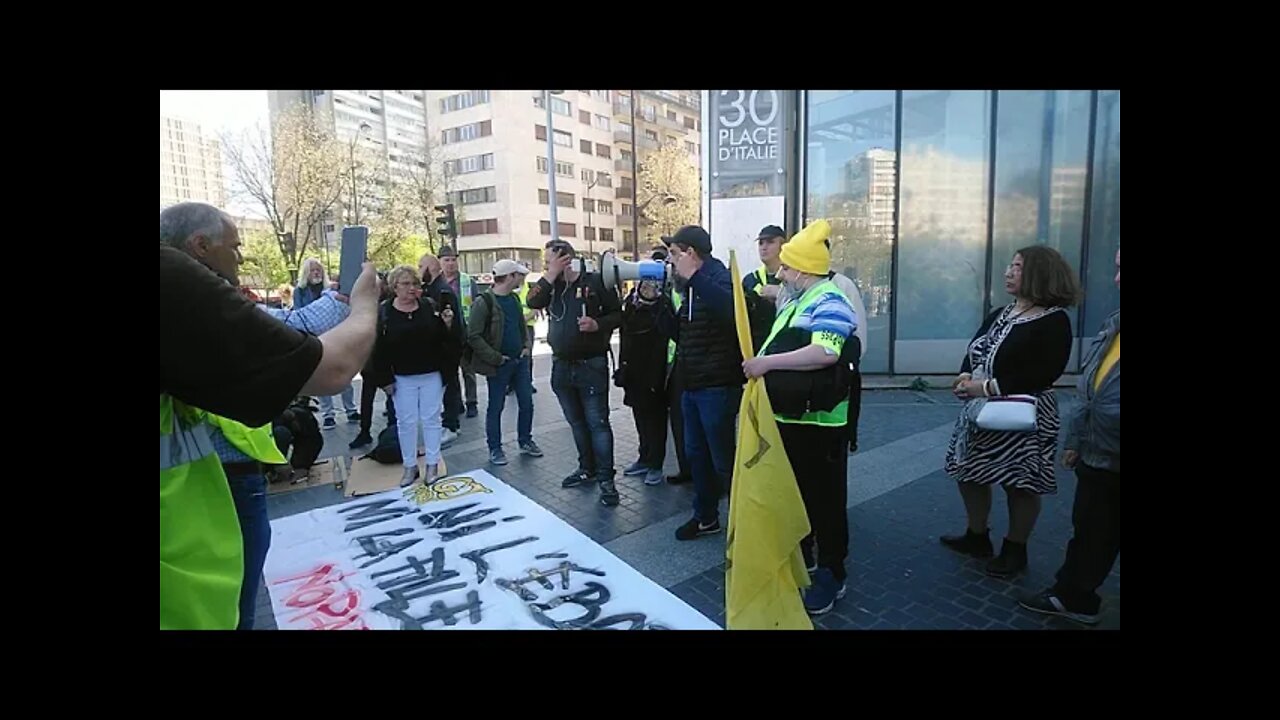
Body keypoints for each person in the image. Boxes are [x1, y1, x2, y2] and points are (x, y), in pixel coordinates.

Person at [160, 202, 377, 629]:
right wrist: (365, 305)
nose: (241, 259)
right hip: (183, 577)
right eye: (234, 247)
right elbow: (331, 369)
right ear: (200, 246)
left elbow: (284, 326)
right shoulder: (172, 282)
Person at [741, 219, 857, 615]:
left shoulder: (829, 299)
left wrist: (765, 364)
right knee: (798, 496)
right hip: (792, 419)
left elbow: (826, 352)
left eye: (787, 267)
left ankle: (832, 573)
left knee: (826, 502)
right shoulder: (798, 299)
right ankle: (804, 559)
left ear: (804, 269)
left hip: (820, 425)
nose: (781, 273)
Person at [941, 245, 1079, 579]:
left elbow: (1044, 372)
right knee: (967, 472)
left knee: (1020, 483)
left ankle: (1015, 548)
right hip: (981, 412)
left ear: (1038, 274)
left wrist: (986, 387)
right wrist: (964, 375)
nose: (1008, 272)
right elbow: (975, 349)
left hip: (1024, 416)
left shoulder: (1054, 320)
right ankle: (977, 536)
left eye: (1017, 267)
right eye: (1010, 265)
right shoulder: (1001, 313)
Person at [1020, 247, 1120, 625]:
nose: (1117, 280)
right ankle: (1074, 596)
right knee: (1091, 529)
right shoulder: (1115, 324)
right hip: (1100, 453)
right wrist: (1077, 439)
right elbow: (1090, 389)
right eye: (1117, 268)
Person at [657, 226, 744, 541]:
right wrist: (656, 303)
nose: (670, 261)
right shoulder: (690, 287)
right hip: (693, 385)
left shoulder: (718, 277)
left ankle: (744, 522)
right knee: (698, 456)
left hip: (717, 385)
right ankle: (706, 517)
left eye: (674, 253)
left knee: (724, 460)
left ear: (691, 253)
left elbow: (732, 312)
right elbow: (680, 334)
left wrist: (694, 277)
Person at [524, 239, 623, 507]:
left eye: (551, 260)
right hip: (561, 365)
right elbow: (531, 301)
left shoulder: (595, 281)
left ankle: (606, 480)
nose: (548, 266)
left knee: (598, 423)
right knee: (576, 422)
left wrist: (597, 324)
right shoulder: (551, 285)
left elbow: (618, 315)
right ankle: (586, 468)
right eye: (547, 262)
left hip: (591, 364)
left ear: (566, 258)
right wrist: (550, 274)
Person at [373, 265, 463, 487]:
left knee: (432, 421)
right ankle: (409, 466)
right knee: (406, 423)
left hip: (431, 374)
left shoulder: (428, 306)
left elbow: (444, 340)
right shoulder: (385, 312)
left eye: (415, 283)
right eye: (406, 284)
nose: (411, 288)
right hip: (402, 377)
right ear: (395, 287)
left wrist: (447, 325)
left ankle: (432, 465)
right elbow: (378, 348)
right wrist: (384, 380)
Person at [468, 258, 543, 466]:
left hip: (519, 361)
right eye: (518, 275)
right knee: (496, 407)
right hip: (499, 365)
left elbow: (521, 325)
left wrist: (526, 346)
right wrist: (496, 358)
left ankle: (525, 440)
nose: (521, 278)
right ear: (509, 276)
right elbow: (474, 336)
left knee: (526, 403)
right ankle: (495, 448)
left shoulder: (513, 298)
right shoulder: (484, 302)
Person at [618, 248, 677, 487]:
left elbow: (666, 332)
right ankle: (644, 458)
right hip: (633, 371)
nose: (646, 286)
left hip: (654, 373)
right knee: (640, 417)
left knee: (655, 421)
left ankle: (655, 464)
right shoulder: (631, 302)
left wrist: (653, 303)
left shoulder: (663, 306)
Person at [296, 258, 360, 429]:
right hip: (315, 339)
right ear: (306, 273)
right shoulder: (300, 291)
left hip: (336, 336)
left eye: (319, 269)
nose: (316, 273)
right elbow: (300, 314)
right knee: (321, 377)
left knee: (344, 375)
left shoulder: (331, 289)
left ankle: (351, 409)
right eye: (312, 270)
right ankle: (328, 414)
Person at [420, 253, 464, 446]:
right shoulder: (433, 288)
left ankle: (451, 425)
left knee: (449, 385)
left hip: (446, 347)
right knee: (448, 385)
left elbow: (448, 322)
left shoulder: (442, 291)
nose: (419, 270)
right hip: (443, 346)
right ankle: (450, 423)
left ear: (431, 268)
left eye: (421, 266)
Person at [350, 273, 398, 449]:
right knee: (367, 400)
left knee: (392, 399)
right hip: (370, 362)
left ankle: (393, 433)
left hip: (385, 361)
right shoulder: (365, 305)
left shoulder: (388, 305)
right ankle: (365, 432)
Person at [438, 245, 479, 419]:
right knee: (450, 373)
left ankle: (471, 402)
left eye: (453, 260)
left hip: (465, 332)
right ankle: (456, 404)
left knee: (468, 370)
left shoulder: (467, 281)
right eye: (446, 260)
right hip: (445, 335)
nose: (450, 263)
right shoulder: (436, 283)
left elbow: (476, 306)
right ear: (440, 262)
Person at [513, 278, 540, 395]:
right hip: (512, 327)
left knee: (527, 356)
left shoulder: (530, 290)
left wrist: (522, 320)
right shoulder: (508, 290)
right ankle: (512, 384)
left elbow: (534, 310)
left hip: (527, 327)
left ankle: (527, 383)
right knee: (512, 355)